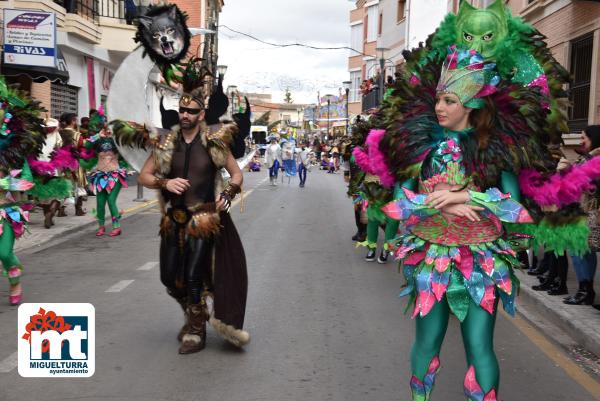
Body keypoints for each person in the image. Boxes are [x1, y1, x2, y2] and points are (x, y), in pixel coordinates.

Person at [376, 46, 552, 400]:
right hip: (431, 259)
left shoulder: (496, 150)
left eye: (449, 100)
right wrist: (432, 203)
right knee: (426, 343)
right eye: (439, 99)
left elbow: (519, 212)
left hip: (482, 263)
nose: (440, 107)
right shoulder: (420, 147)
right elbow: (394, 209)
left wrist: (468, 197)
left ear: (471, 105)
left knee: (479, 346)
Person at [133, 73, 249, 354]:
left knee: (195, 275)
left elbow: (236, 174)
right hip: (173, 219)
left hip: (204, 219)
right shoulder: (166, 143)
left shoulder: (214, 143)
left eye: (191, 111)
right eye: (182, 110)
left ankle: (196, 330)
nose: (185, 115)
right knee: (170, 277)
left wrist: (228, 194)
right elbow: (144, 176)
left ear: (202, 114)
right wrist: (165, 182)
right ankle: (195, 313)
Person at [561, 125, 600, 305]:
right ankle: (586, 290)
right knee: (581, 251)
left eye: (584, 137)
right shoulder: (587, 157)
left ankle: (586, 291)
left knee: (580, 250)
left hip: (592, 213)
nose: (581, 140)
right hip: (582, 211)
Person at [59, 112, 87, 216]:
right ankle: (78, 209)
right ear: (73, 121)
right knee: (78, 185)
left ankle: (61, 210)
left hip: (61, 163)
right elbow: (82, 147)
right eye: (76, 120)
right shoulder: (77, 135)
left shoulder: (59, 133)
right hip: (75, 163)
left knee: (64, 185)